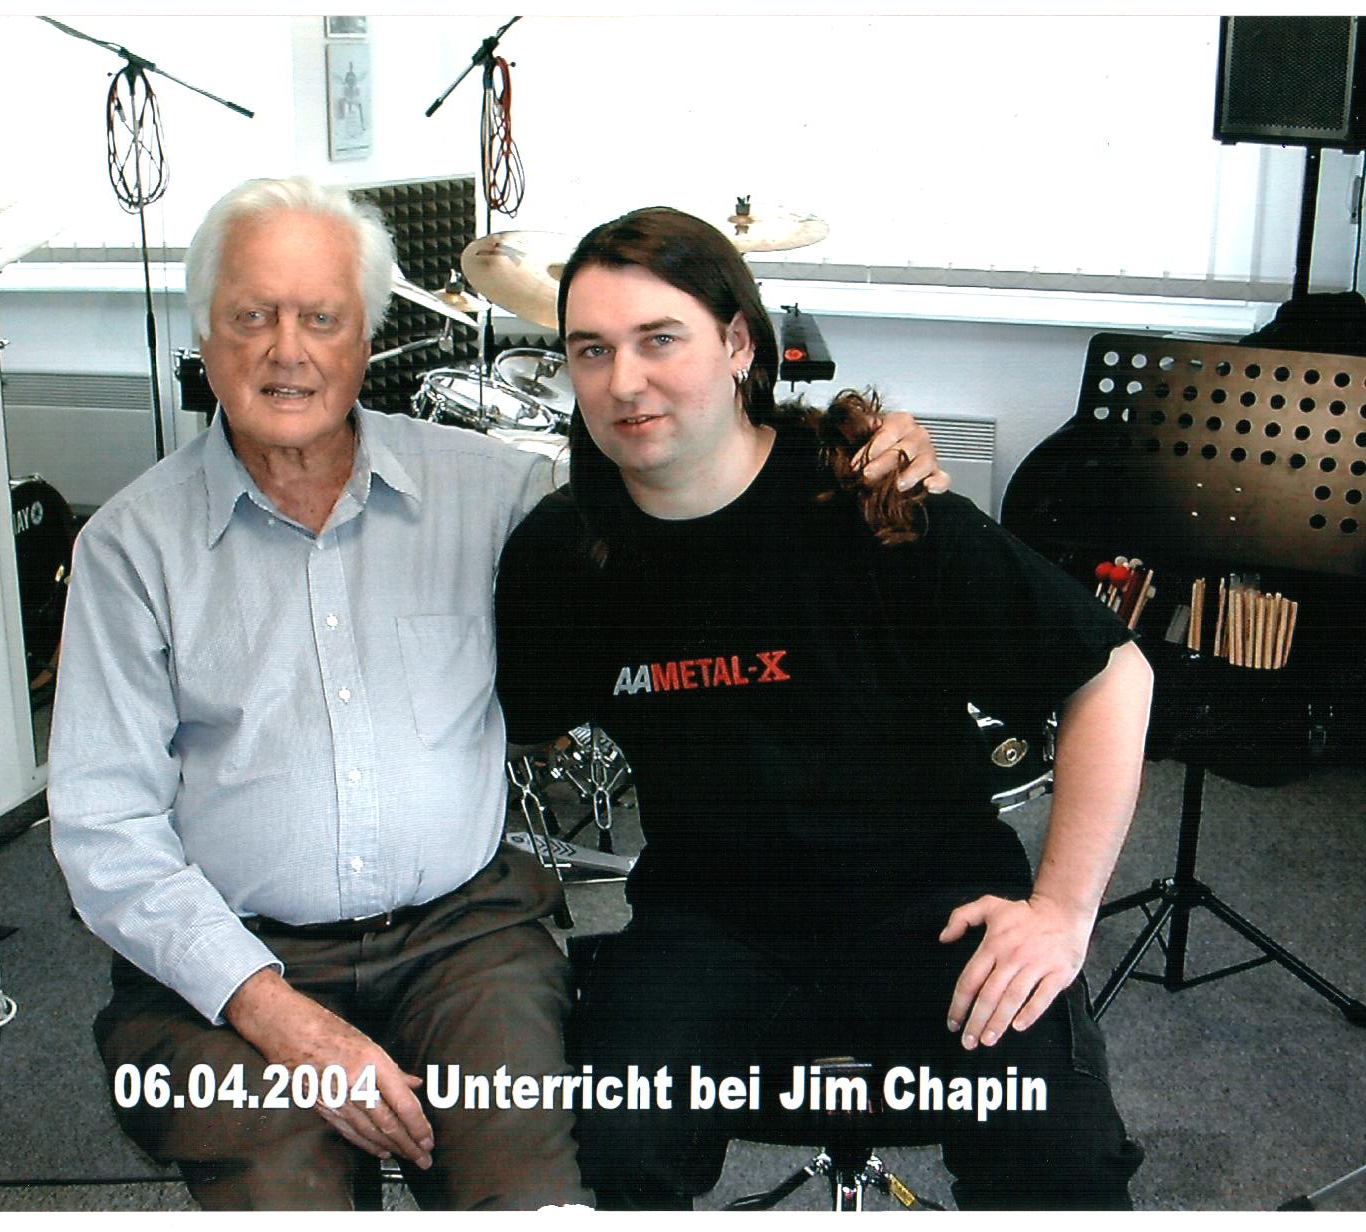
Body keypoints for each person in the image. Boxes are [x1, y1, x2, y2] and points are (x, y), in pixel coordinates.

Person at [48, 176, 948, 1210]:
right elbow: (105, 826)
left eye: (321, 318)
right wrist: (275, 1011)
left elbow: (679, 486)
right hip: (227, 958)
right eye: (252, 316)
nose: (287, 350)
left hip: (463, 939)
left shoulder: (493, 491)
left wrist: (850, 455)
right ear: (204, 337)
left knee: (534, 1191)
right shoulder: (130, 546)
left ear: (367, 339)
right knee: (284, 1181)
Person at [493, 206, 1155, 1210]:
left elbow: (1110, 673)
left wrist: (1061, 913)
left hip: (937, 909)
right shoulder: (566, 551)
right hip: (708, 922)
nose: (622, 380)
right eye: (592, 349)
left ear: (738, 345)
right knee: (595, 1163)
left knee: (1059, 1165)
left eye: (659, 339)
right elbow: (508, 723)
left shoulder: (871, 501)